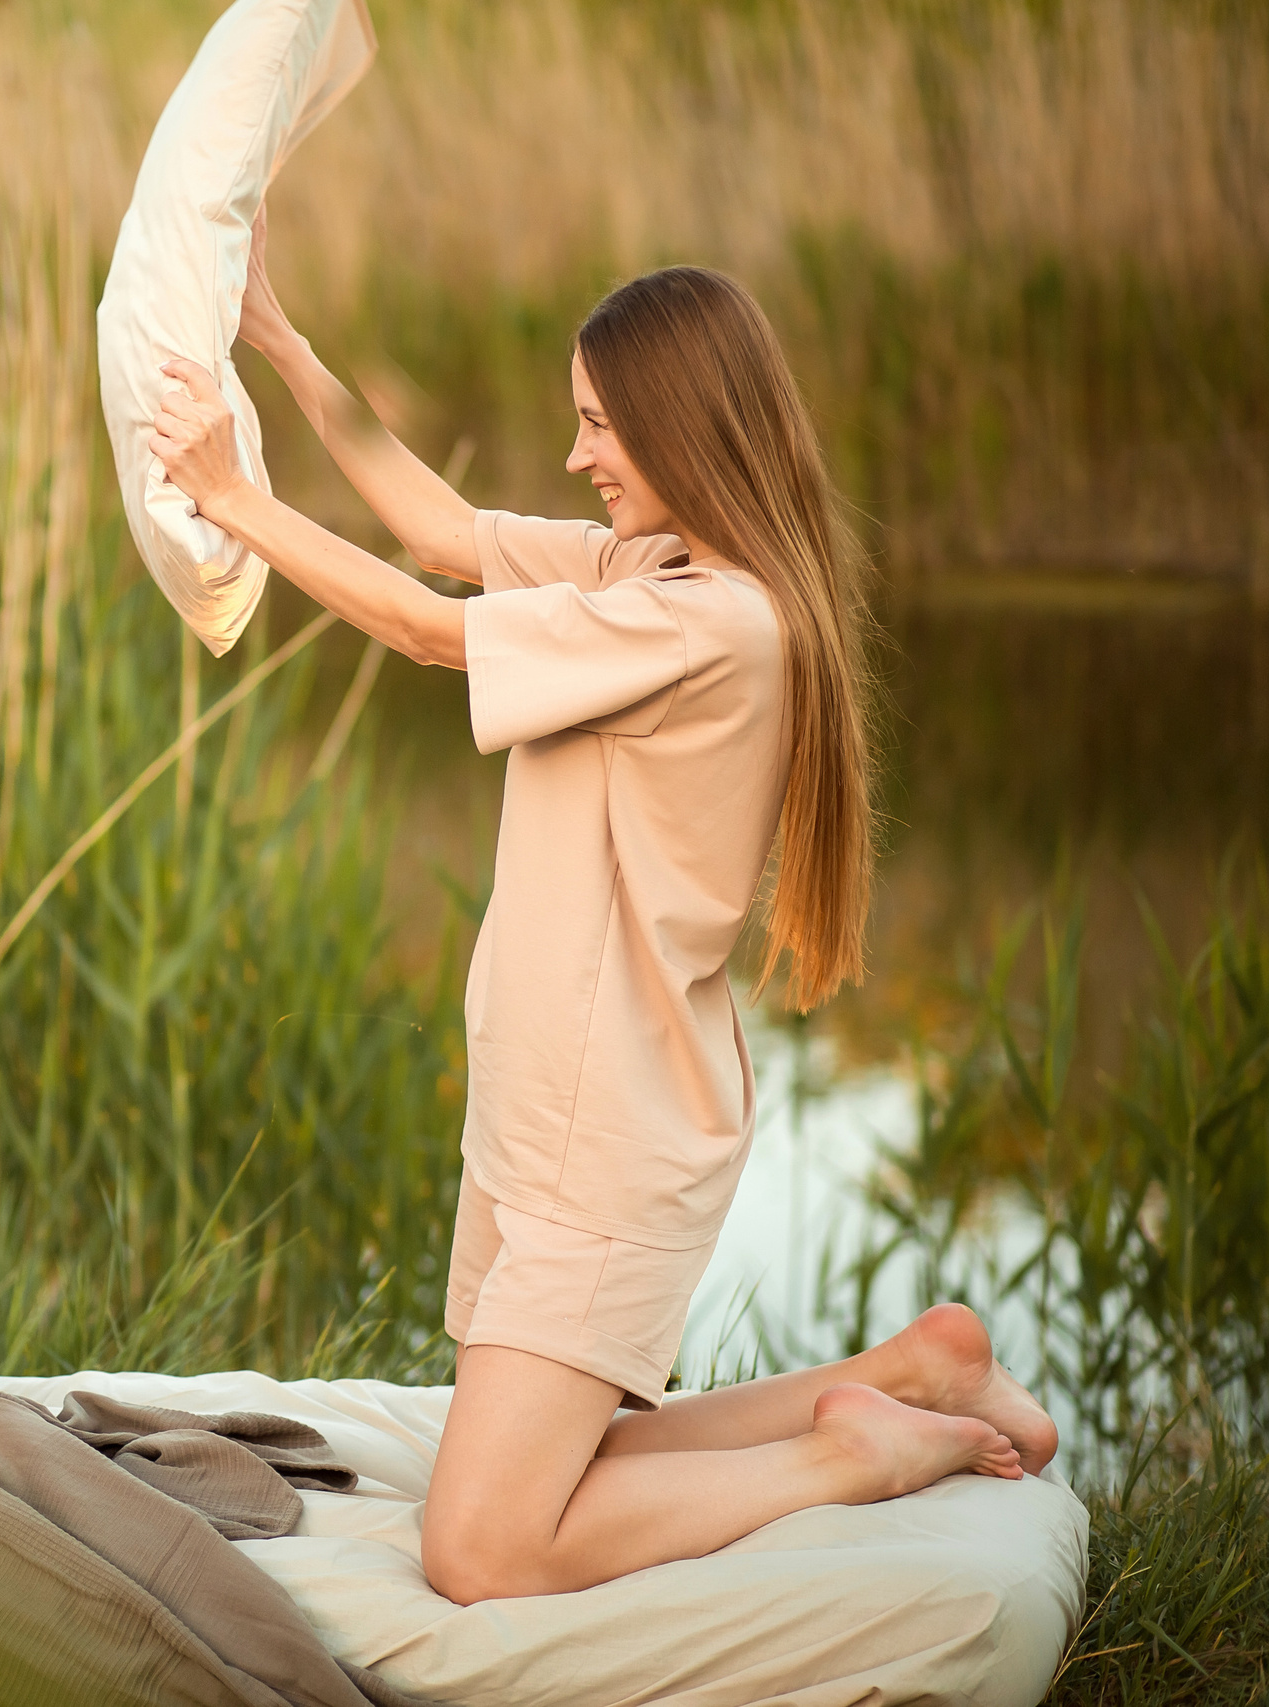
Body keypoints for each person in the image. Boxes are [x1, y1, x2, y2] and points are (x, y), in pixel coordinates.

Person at [146, 225, 1059, 1607]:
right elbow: (442, 535)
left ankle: (849, 1457)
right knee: (560, 1466)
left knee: (484, 1547)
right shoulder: (658, 572)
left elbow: (426, 625)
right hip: (560, 1103)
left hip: (608, 1132)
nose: (579, 457)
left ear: (683, 431)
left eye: (599, 427)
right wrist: (285, 347)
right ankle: (909, 1378)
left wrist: (235, 500)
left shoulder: (711, 623)